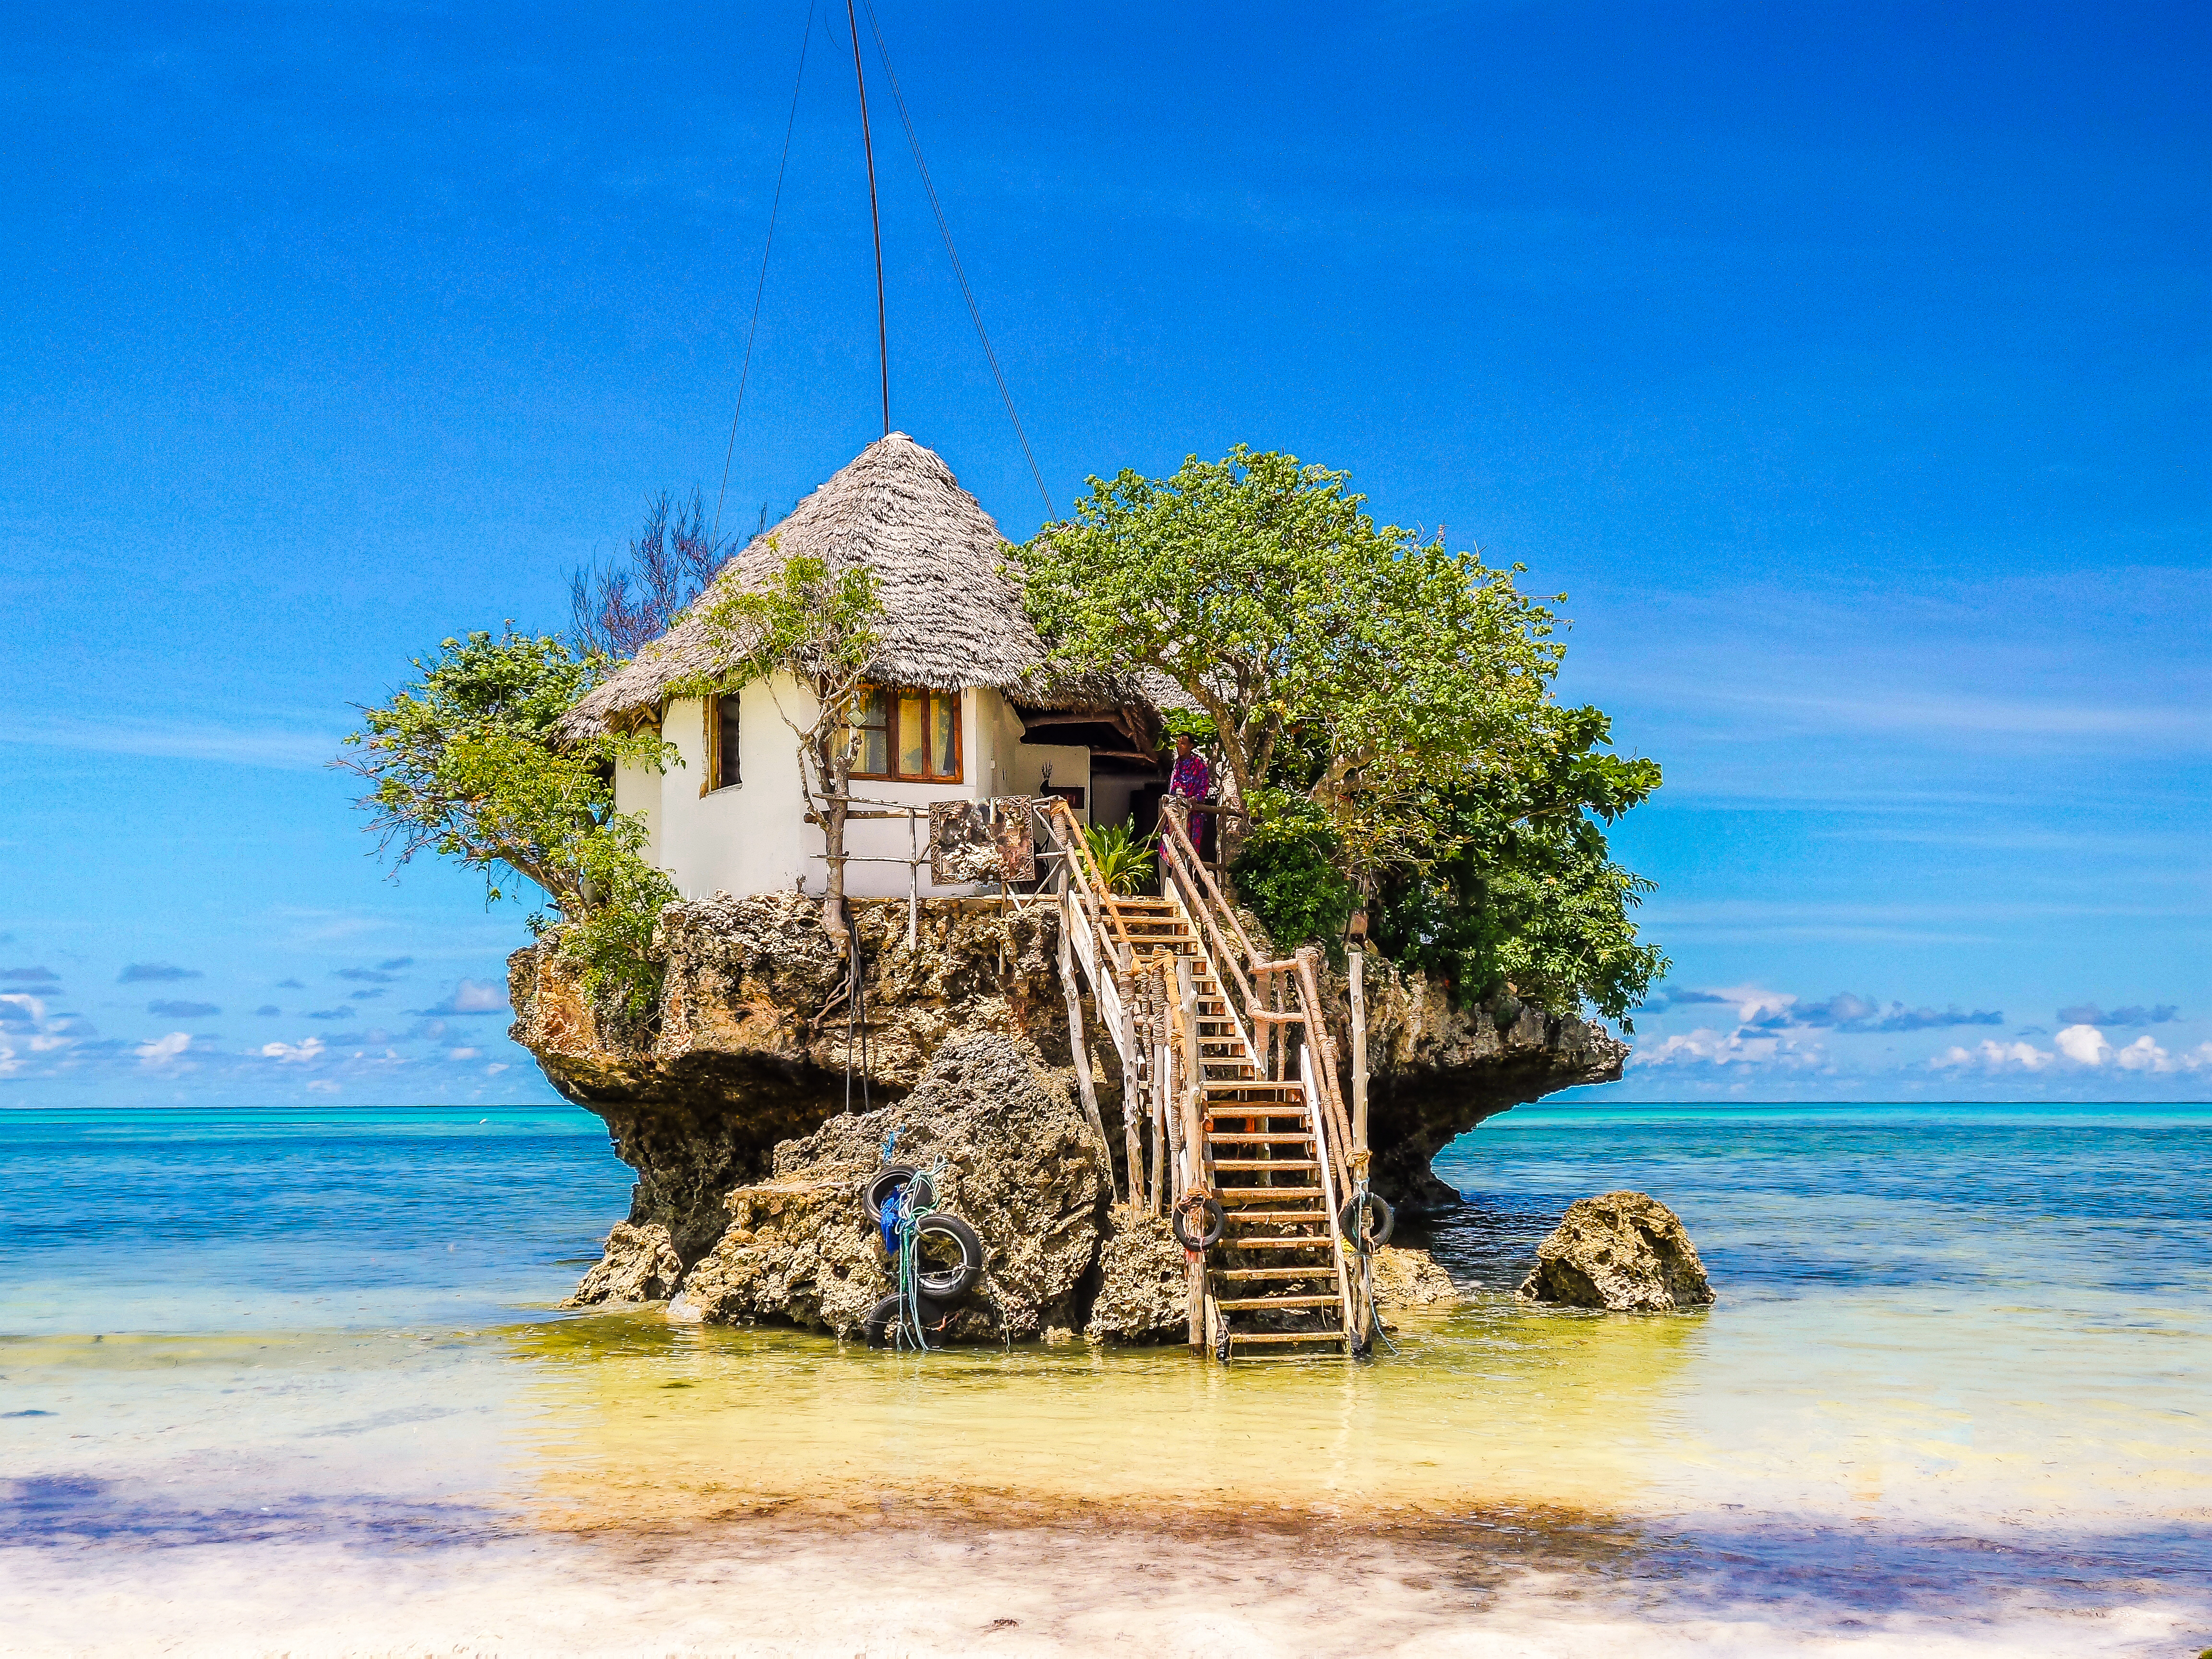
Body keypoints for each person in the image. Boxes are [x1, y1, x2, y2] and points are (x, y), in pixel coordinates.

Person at [1167, 733, 1214, 862]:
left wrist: (1197, 798)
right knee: (1175, 842)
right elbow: (1173, 786)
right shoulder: (1178, 765)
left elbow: (1204, 785)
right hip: (1178, 809)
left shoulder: (1199, 764)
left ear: (1191, 746)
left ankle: (1192, 874)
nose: (1179, 746)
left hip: (1195, 811)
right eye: (1178, 744)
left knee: (1193, 847)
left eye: (1183, 744)